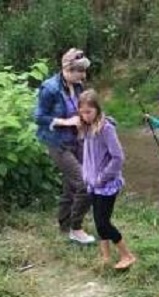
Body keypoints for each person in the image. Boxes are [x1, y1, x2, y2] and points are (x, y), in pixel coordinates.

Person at [34, 48, 95, 244]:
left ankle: (64, 224)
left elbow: (83, 110)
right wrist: (65, 122)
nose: (83, 75)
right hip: (57, 143)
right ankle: (76, 228)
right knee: (85, 184)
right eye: (80, 71)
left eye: (84, 71)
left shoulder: (77, 86)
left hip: (76, 140)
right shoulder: (49, 88)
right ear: (68, 69)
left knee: (71, 186)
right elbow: (38, 117)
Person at [78, 89, 136, 270]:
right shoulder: (86, 128)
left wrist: (102, 178)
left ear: (97, 109)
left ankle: (127, 255)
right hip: (93, 184)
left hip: (107, 184)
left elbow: (118, 157)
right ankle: (105, 256)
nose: (85, 115)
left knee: (103, 222)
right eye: (82, 112)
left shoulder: (106, 129)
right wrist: (88, 176)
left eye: (89, 112)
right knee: (98, 220)